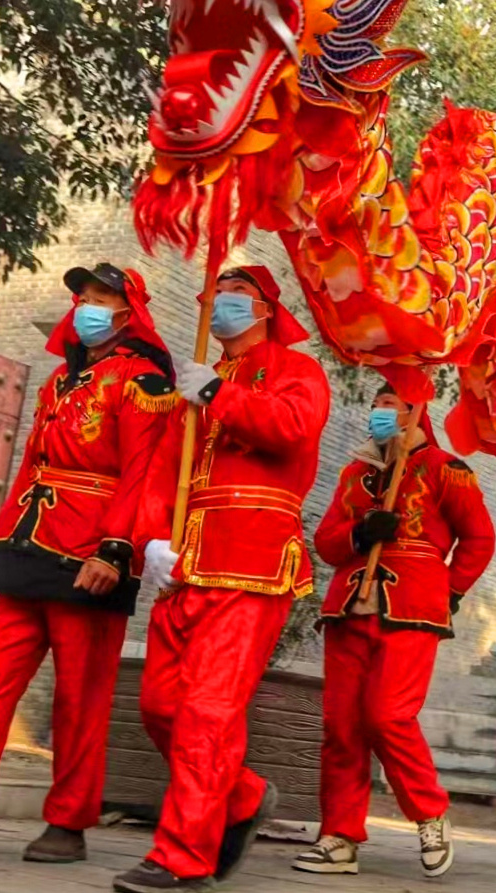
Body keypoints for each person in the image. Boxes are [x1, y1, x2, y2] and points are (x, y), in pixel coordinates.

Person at [0, 264, 177, 862]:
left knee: (80, 697)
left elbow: (147, 472)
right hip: (30, 541)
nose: (87, 306)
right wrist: (5, 532)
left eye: (102, 299)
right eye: (82, 296)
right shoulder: (60, 381)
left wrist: (119, 549)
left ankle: (69, 821)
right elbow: (33, 460)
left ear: (128, 313)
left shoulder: (141, 381)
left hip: (92, 549)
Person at [113, 265, 332, 893]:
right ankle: (240, 796)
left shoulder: (297, 370)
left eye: (236, 295)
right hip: (186, 564)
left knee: (208, 714)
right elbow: (163, 469)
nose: (222, 303)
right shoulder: (194, 387)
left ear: (263, 308)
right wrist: (150, 538)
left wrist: (217, 395)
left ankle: (182, 859)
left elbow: (291, 430)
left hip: (253, 561)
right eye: (219, 293)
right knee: (159, 706)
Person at [293, 383, 496, 880]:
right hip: (348, 607)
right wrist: (360, 534)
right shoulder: (355, 472)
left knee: (387, 716)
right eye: (377, 405)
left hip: (413, 607)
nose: (380, 413)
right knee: (341, 727)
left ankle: (429, 812)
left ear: (416, 412)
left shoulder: (447, 469)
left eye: (391, 406)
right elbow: (325, 542)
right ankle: (339, 836)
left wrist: (448, 592)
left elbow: (479, 538)